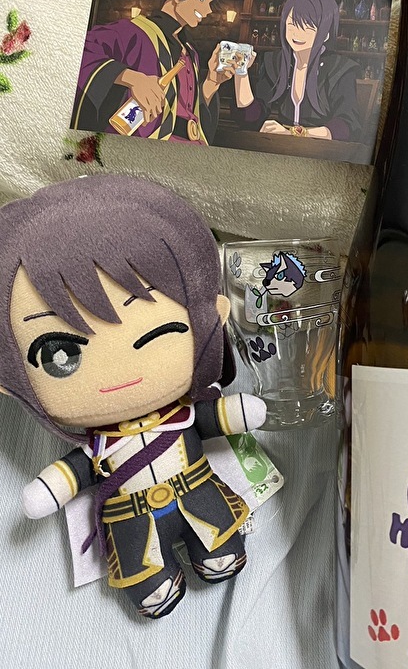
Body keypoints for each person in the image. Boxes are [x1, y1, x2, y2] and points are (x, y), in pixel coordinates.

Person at [0, 175, 266, 618]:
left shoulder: (183, 417)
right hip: (130, 517)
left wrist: (239, 410)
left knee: (219, 542)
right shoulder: (98, 447)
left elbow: (211, 418)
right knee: (144, 574)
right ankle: (153, 582)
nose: (118, 372)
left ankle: (216, 552)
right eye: (60, 354)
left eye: (157, 332)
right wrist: (49, 489)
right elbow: (75, 472)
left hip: (197, 493)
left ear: (212, 315)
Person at [71, 0, 236, 144]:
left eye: (210, 2)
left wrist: (212, 82)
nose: (208, 10)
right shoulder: (133, 32)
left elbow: (189, 110)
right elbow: (79, 50)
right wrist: (132, 78)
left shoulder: (190, 52)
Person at [232, 0, 363, 142]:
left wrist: (298, 133)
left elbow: (347, 126)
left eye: (308, 27)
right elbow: (251, 118)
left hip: (322, 148)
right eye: (292, 24)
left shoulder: (341, 68)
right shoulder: (274, 62)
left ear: (325, 34)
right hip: (280, 145)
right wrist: (240, 73)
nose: (297, 33)